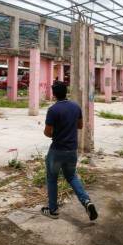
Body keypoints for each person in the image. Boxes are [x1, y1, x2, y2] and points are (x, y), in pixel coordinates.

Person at [41, 81, 98, 221]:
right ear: (66, 92)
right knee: (72, 176)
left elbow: (48, 133)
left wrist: (56, 130)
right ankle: (86, 201)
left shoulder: (53, 110)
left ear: (54, 94)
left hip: (57, 151)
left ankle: (53, 210)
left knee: (52, 178)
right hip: (72, 150)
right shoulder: (75, 107)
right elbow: (79, 125)